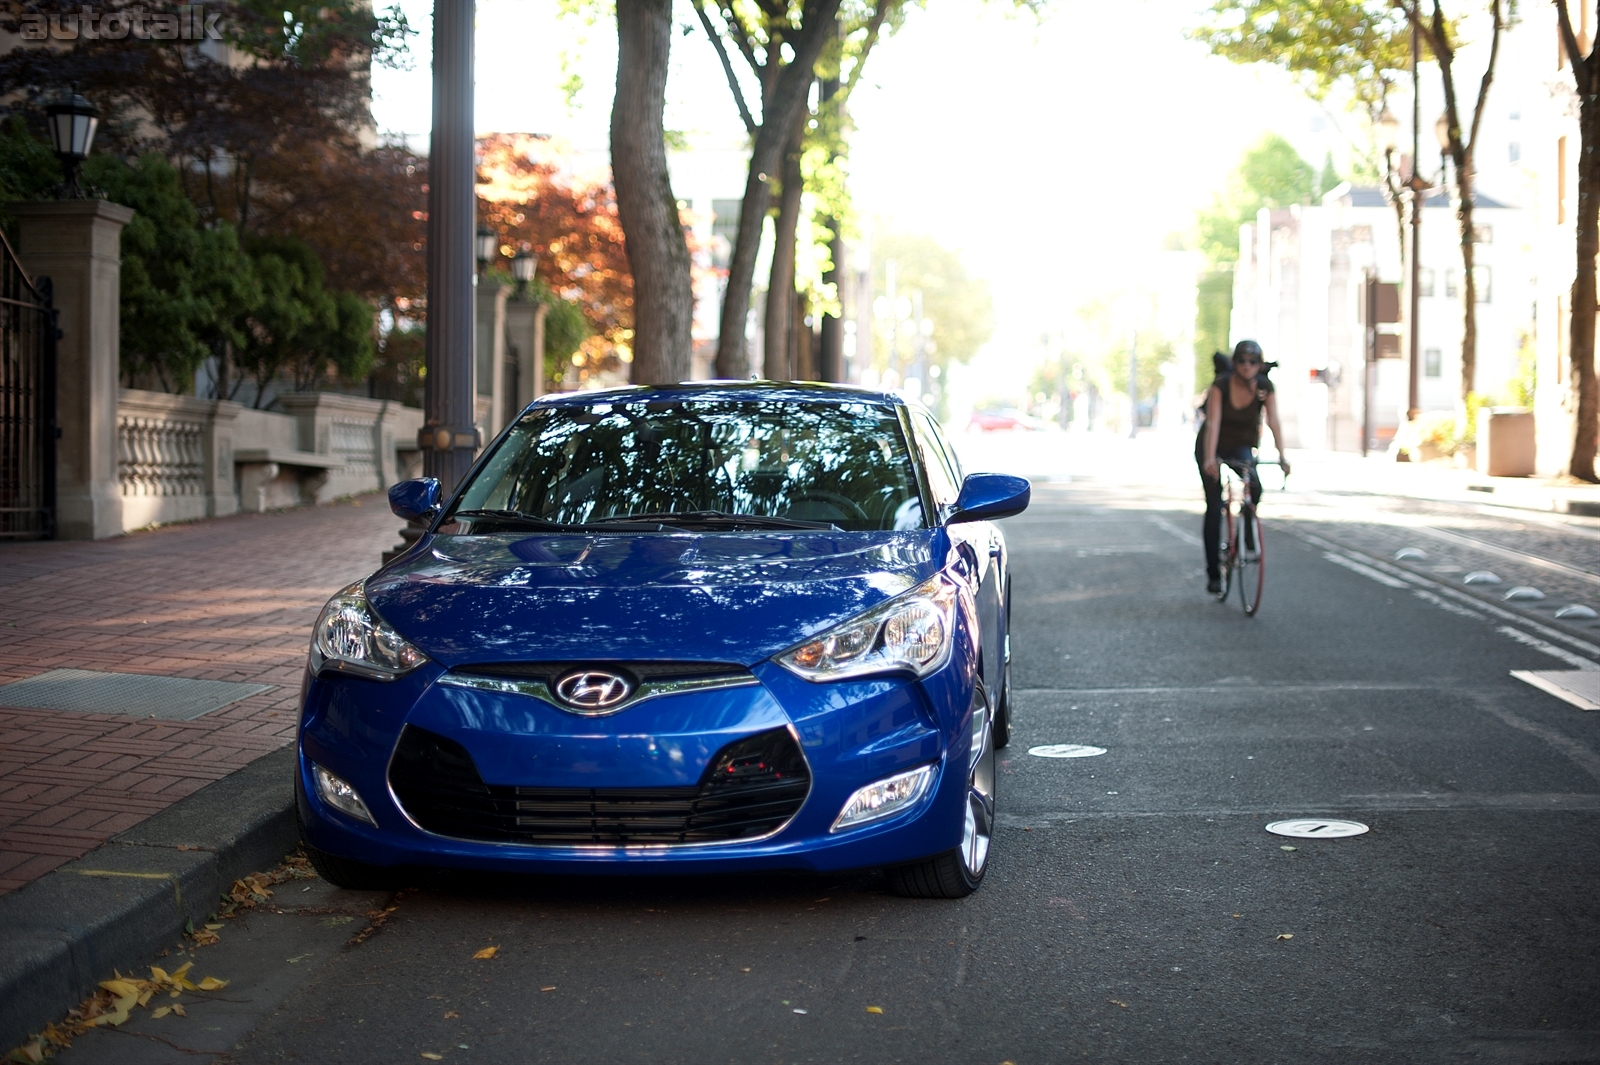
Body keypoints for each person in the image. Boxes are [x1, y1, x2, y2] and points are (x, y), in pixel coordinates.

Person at [1197, 340, 1290, 594]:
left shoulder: (1264, 387)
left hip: (1240, 446)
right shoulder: (1221, 385)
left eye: (1252, 362)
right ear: (1234, 363)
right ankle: (1214, 574)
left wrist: (1283, 456)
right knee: (1214, 506)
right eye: (1241, 361)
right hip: (1211, 445)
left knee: (1255, 487)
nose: (1247, 366)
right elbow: (1213, 423)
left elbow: (1274, 421)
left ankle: (1246, 525)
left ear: (1259, 365)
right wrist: (1209, 459)